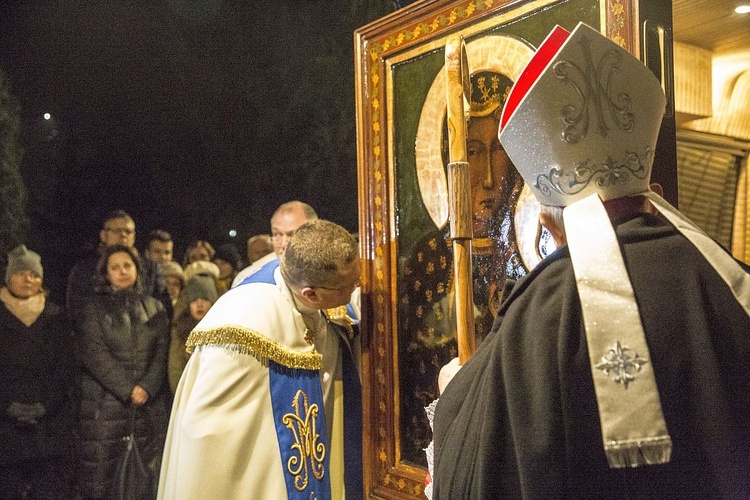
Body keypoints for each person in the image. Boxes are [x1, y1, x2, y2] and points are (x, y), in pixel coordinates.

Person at [431, 22, 750, 498]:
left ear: (546, 225)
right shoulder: (729, 277)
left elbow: (472, 476)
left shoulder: (540, 314)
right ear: (654, 195)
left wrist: (455, 391)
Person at [159, 220, 362, 499]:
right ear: (311, 295)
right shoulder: (240, 330)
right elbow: (208, 440)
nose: (356, 288)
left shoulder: (313, 289)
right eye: (349, 286)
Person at [76, 244, 170, 499]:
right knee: (104, 480)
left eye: (127, 265)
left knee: (146, 480)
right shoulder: (92, 309)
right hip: (106, 408)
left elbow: (162, 354)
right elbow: (94, 355)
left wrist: (147, 387)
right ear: (105, 273)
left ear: (137, 269)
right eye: (115, 267)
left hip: (148, 409)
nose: (122, 272)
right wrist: (128, 390)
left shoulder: (155, 308)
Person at [0, 245, 74, 499]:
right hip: (5, 428)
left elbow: (66, 369)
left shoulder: (56, 317)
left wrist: (45, 406)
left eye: (33, 274)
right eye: (20, 273)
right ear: (9, 277)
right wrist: (8, 406)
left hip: (48, 428)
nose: (27, 279)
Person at [66, 209, 169, 324]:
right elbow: (76, 311)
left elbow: (164, 309)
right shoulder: (84, 270)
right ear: (103, 235)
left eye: (128, 231)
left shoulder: (150, 270)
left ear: (134, 237)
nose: (123, 235)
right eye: (117, 231)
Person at [231, 200, 319, 287]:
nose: (284, 244)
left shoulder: (330, 273)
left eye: (292, 234)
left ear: (314, 233)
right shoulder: (248, 281)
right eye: (277, 234)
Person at [167, 275, 218, 393]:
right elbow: (176, 370)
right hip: (190, 396)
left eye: (205, 299)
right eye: (194, 300)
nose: (199, 304)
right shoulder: (180, 331)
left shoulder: (225, 330)